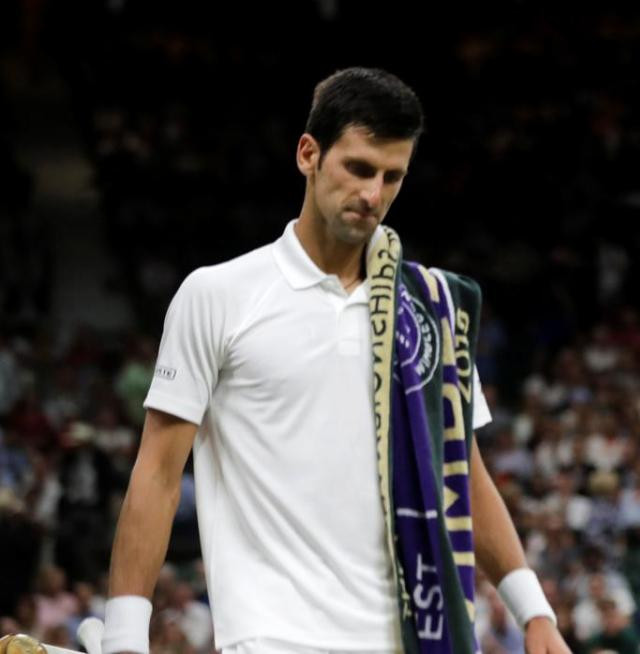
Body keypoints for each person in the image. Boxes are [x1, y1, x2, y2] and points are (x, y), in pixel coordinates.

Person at [98, 68, 568, 654]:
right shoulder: (217, 295)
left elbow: (462, 471)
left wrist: (534, 611)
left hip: (413, 637)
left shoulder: (429, 310)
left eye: (392, 177)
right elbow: (158, 475)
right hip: (271, 639)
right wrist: (123, 636)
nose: (374, 195)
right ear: (308, 154)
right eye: (359, 168)